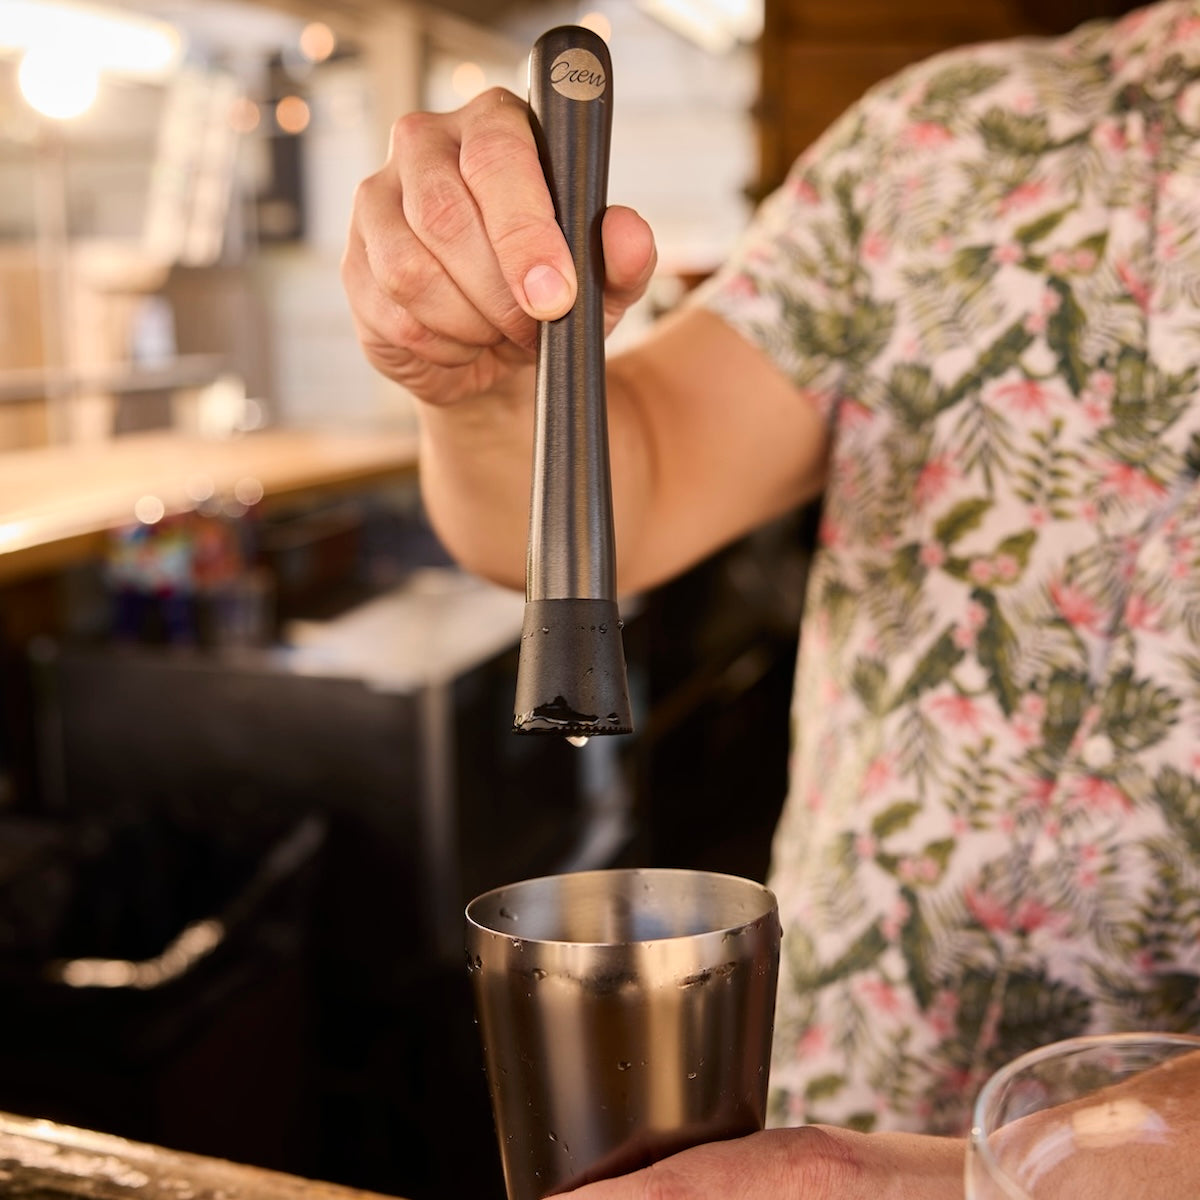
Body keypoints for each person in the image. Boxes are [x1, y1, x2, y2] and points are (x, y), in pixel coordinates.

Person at [343, 0, 1200, 1193]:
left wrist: (973, 1179)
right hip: (807, 1114)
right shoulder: (938, 142)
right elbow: (627, 490)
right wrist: (485, 392)